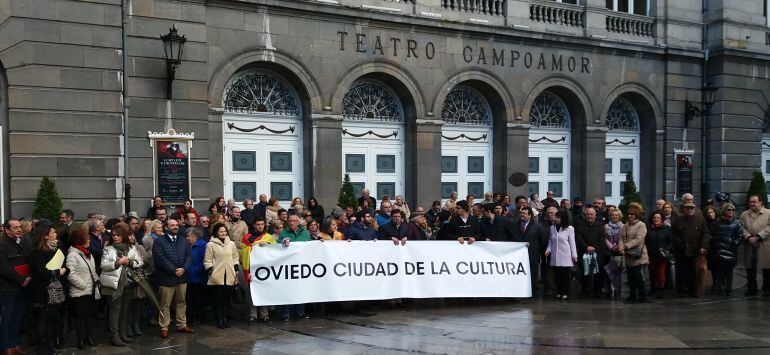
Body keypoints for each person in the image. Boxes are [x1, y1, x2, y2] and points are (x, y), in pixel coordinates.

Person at [100, 222, 144, 346]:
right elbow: (103, 265)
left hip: (129, 283)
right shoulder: (108, 249)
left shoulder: (132, 248)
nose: (115, 237)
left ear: (123, 236)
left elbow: (140, 262)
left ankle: (123, 333)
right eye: (113, 235)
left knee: (125, 309)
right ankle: (115, 336)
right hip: (114, 284)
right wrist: (117, 263)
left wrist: (129, 262)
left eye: (118, 235)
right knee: (115, 310)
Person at [28, 221, 68, 355]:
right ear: (45, 236)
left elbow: (64, 266)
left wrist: (62, 270)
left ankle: (50, 348)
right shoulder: (36, 253)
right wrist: (58, 272)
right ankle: (42, 349)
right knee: (43, 322)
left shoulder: (56, 249)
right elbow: (42, 273)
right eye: (52, 232)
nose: (56, 234)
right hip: (42, 292)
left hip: (55, 291)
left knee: (52, 321)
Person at [153, 218, 194, 338]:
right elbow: (160, 259)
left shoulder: (183, 240)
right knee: (165, 303)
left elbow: (189, 256)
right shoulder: (159, 241)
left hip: (182, 277)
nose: (175, 227)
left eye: (176, 225)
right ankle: (164, 326)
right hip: (166, 278)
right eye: (172, 225)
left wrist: (184, 268)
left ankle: (181, 324)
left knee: (181, 302)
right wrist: (174, 270)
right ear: (166, 227)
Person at [66, 230, 98, 349]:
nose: (89, 240)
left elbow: (92, 271)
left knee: (89, 316)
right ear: (80, 240)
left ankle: (88, 336)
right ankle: (80, 339)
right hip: (79, 292)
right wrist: (83, 284)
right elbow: (70, 274)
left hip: (90, 290)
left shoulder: (87, 253)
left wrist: (96, 281)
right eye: (87, 238)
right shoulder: (73, 255)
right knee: (80, 317)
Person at [671, 202, 711, 298]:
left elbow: (706, 234)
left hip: (695, 250)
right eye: (687, 208)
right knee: (680, 271)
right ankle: (680, 290)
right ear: (683, 209)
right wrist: (679, 243)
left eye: (691, 208)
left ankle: (693, 290)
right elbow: (672, 234)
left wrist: (703, 246)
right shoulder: (677, 220)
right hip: (681, 251)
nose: (689, 210)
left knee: (693, 272)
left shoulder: (701, 220)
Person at [205, 223, 240, 329]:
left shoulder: (231, 244)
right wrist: (211, 271)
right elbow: (207, 260)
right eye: (220, 231)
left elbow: (235, 257)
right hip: (217, 276)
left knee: (226, 299)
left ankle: (225, 319)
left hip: (229, 275)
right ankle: (219, 319)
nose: (223, 233)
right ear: (216, 232)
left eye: (224, 231)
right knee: (218, 300)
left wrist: (236, 269)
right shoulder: (210, 245)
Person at [241, 218, 276, 322]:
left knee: (263, 291)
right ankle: (253, 314)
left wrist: (268, 246)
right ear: (254, 225)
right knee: (251, 292)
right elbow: (243, 251)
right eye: (258, 224)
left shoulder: (268, 237)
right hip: (251, 268)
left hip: (264, 269)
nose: (260, 226)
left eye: (262, 224)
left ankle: (264, 314)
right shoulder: (247, 237)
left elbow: (275, 251)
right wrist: (254, 246)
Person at [278, 215, 311, 320]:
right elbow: (277, 247)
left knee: (301, 288)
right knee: (286, 289)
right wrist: (283, 244)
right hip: (287, 266)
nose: (292, 223)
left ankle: (300, 312)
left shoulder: (305, 233)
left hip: (301, 265)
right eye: (290, 221)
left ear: (298, 222)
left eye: (294, 221)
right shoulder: (283, 233)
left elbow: (310, 246)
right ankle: (285, 313)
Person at [740, 194, 770, 297]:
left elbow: (769, 228)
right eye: (750, 202)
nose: (752, 204)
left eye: (754, 202)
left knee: (766, 268)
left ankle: (767, 289)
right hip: (749, 245)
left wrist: (758, 237)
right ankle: (751, 288)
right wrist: (749, 238)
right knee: (750, 267)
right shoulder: (744, 214)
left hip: (764, 244)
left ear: (761, 202)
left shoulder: (768, 213)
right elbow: (740, 228)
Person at [618, 205, 649, 303]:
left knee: (638, 276)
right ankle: (632, 295)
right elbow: (621, 238)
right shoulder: (625, 225)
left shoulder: (641, 225)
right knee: (630, 277)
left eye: (632, 214)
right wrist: (621, 246)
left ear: (636, 215)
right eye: (629, 214)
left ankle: (642, 296)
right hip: (628, 255)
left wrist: (626, 246)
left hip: (638, 254)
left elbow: (639, 239)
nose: (630, 216)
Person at [512, 207, 546, 296]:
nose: (522, 215)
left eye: (524, 213)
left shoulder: (537, 226)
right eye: (521, 213)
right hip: (519, 256)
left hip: (532, 256)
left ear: (530, 215)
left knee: (532, 275)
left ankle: (531, 293)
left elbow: (542, 241)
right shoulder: (516, 224)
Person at [575, 207, 607, 298]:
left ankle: (597, 292)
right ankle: (584, 291)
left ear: (595, 215)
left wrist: (594, 247)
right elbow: (579, 238)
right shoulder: (580, 225)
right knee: (584, 273)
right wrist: (586, 247)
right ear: (585, 215)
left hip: (598, 252)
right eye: (588, 214)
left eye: (591, 214)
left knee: (598, 273)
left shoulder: (600, 225)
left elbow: (602, 238)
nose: (589, 216)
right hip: (584, 252)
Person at [711, 203, 742, 296]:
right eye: (729, 210)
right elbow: (712, 234)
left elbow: (740, 235)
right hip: (719, 250)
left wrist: (735, 243)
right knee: (719, 271)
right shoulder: (717, 222)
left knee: (729, 272)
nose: (731, 212)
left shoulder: (736, 223)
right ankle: (720, 288)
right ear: (724, 211)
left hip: (731, 250)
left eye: (732, 210)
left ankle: (728, 289)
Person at [545, 210, 577, 301]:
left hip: (566, 255)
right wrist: (548, 250)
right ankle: (559, 292)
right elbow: (551, 240)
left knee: (565, 276)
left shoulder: (569, 228)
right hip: (555, 255)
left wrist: (574, 255)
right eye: (556, 217)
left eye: (558, 218)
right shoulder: (552, 227)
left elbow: (572, 242)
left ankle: (565, 292)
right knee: (557, 276)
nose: (556, 219)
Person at [646, 211, 674, 299]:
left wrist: (666, 249)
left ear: (661, 219)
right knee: (652, 272)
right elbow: (646, 241)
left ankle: (660, 289)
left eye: (658, 218)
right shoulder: (649, 229)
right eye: (654, 218)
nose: (656, 219)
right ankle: (653, 288)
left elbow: (671, 241)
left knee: (661, 272)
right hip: (651, 254)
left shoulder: (667, 229)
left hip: (662, 255)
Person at [185, 227, 207, 326]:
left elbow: (204, 261)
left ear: (195, 236)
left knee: (199, 299)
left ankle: (199, 317)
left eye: (188, 236)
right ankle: (190, 317)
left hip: (199, 277)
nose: (187, 238)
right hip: (188, 277)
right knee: (190, 299)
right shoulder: (188, 245)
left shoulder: (202, 245)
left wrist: (194, 270)